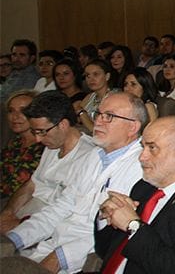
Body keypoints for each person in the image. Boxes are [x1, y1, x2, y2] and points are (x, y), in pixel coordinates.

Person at [5, 92, 146, 272]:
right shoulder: (94, 156)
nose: (98, 122)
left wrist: (59, 258)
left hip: (80, 258)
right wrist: (16, 238)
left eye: (109, 116)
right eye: (98, 114)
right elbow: (62, 205)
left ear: (132, 127)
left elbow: (112, 233)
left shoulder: (141, 167)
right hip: (54, 244)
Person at [94, 117, 175, 274]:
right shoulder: (143, 187)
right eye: (143, 147)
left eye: (152, 148)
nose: (142, 157)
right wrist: (108, 214)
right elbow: (105, 251)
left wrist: (133, 226)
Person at [0, 91, 95, 230]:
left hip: (48, 227)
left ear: (63, 124)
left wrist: (20, 225)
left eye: (42, 131)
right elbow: (31, 185)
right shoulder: (52, 146)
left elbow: (66, 211)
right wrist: (7, 213)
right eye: (35, 132)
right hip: (27, 216)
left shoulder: (89, 156)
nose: (38, 139)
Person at [1, 90, 43, 199]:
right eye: (11, 111)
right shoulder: (13, 143)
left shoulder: (45, 146)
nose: (15, 117)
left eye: (23, 111)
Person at [77, 59, 116, 132]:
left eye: (96, 74)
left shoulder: (114, 98)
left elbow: (99, 131)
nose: (91, 79)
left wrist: (82, 114)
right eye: (87, 75)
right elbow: (76, 119)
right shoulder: (90, 96)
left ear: (107, 76)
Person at [0, 39, 39, 107]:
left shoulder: (32, 77)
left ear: (32, 58)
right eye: (14, 55)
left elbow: (16, 101)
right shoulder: (13, 73)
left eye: (22, 55)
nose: (16, 59)